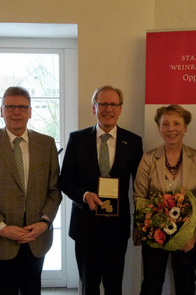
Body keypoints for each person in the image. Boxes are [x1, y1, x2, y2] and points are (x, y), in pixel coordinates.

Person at [0, 86, 62, 295]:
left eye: (22, 107)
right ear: (2, 111)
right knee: (7, 290)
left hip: (36, 237)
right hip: (2, 238)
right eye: (10, 106)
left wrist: (44, 223)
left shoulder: (46, 144)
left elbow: (54, 190)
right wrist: (1, 227)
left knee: (32, 289)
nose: (16, 112)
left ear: (30, 111)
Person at [59, 85, 143, 295]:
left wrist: (139, 222)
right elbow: (65, 180)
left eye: (113, 104)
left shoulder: (133, 142)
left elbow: (139, 187)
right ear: (93, 108)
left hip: (117, 227)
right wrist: (84, 196)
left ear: (120, 109)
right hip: (85, 226)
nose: (108, 109)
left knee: (114, 286)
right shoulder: (77, 140)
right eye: (103, 104)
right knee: (89, 286)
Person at [133, 104, 196, 295]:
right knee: (151, 282)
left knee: (186, 282)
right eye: (165, 124)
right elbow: (140, 197)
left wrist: (195, 232)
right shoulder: (148, 159)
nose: (171, 129)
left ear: (185, 128)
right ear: (159, 129)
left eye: (176, 124)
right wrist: (146, 228)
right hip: (154, 233)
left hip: (187, 234)